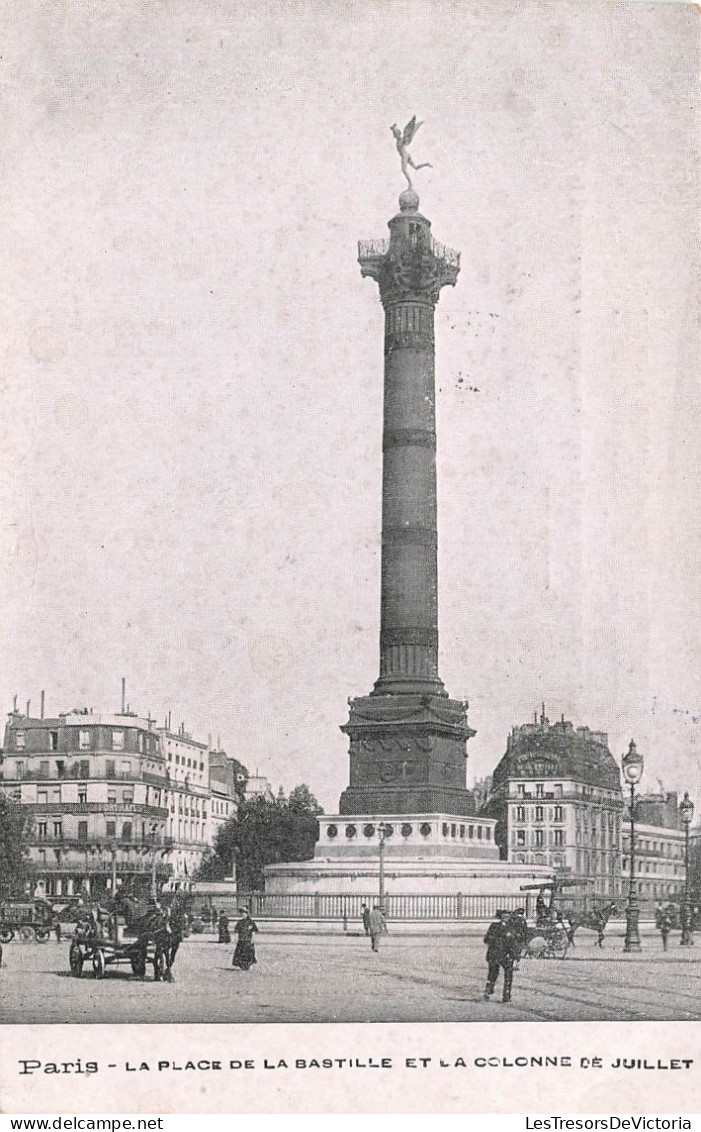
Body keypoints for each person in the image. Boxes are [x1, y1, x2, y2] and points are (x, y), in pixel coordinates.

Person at [484, 909, 519, 1004]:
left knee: (509, 974)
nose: (506, 918)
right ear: (500, 917)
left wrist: (516, 957)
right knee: (493, 973)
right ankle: (489, 990)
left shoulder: (512, 928)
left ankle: (506, 995)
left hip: (507, 955)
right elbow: (486, 939)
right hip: (495, 954)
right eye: (504, 916)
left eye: (508, 916)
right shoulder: (494, 926)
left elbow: (514, 943)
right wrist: (497, 939)